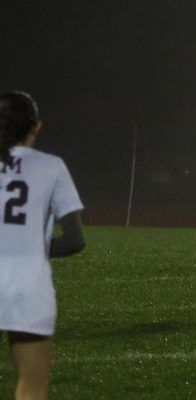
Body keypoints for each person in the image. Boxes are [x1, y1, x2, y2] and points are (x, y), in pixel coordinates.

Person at [0, 91, 85, 400]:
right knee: (31, 388)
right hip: (28, 287)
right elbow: (76, 240)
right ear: (35, 126)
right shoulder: (52, 167)